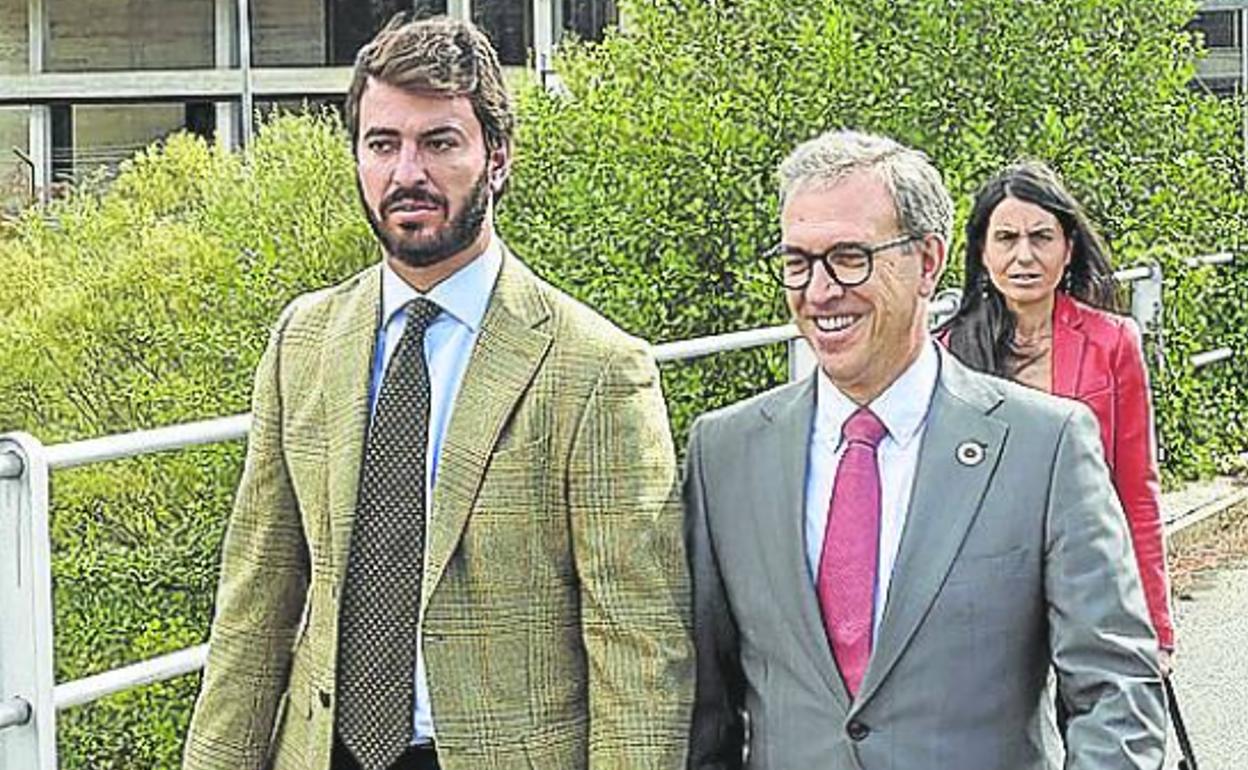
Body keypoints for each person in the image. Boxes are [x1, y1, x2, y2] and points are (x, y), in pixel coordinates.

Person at [183, 15, 692, 770]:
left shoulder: (597, 369)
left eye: (440, 143)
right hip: (321, 751)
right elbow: (255, 602)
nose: (406, 173)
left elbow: (640, 646)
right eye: (382, 144)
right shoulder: (304, 342)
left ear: (497, 158)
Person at [684, 130, 1166, 770]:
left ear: (928, 261)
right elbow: (704, 713)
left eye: (850, 257)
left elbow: (1116, 694)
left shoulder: (1044, 447)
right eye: (798, 262)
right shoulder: (724, 454)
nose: (820, 290)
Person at [939, 161, 1174, 670]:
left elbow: (1136, 490)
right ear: (982, 252)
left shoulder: (1113, 342)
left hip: (1089, 587)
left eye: (1041, 237)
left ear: (1067, 248)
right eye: (1006, 238)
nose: (1024, 255)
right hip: (982, 603)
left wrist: (1155, 627)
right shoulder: (947, 354)